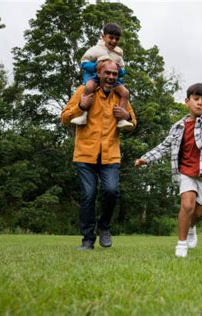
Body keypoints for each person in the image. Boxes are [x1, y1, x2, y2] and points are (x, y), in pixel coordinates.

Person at [135, 83, 202, 257]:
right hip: (186, 171)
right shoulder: (177, 127)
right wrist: (146, 158)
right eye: (196, 99)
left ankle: (191, 227)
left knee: (199, 212)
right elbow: (164, 146)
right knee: (187, 205)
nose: (200, 103)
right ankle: (181, 245)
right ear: (187, 102)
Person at [61, 59, 137, 250]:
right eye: (108, 73)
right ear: (99, 74)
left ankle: (104, 226)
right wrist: (81, 106)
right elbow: (64, 117)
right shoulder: (83, 91)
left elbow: (133, 121)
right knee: (88, 194)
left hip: (110, 155)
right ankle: (87, 240)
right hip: (85, 154)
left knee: (111, 191)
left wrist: (126, 116)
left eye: (115, 74)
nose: (111, 77)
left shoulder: (120, 96)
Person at [70, 22, 134, 130]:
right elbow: (84, 63)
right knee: (88, 87)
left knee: (125, 92)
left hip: (115, 83)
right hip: (95, 77)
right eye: (111, 37)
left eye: (117, 39)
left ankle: (121, 120)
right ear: (103, 36)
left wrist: (126, 116)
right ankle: (83, 114)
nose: (114, 41)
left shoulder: (118, 53)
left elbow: (122, 69)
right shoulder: (95, 49)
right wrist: (96, 66)